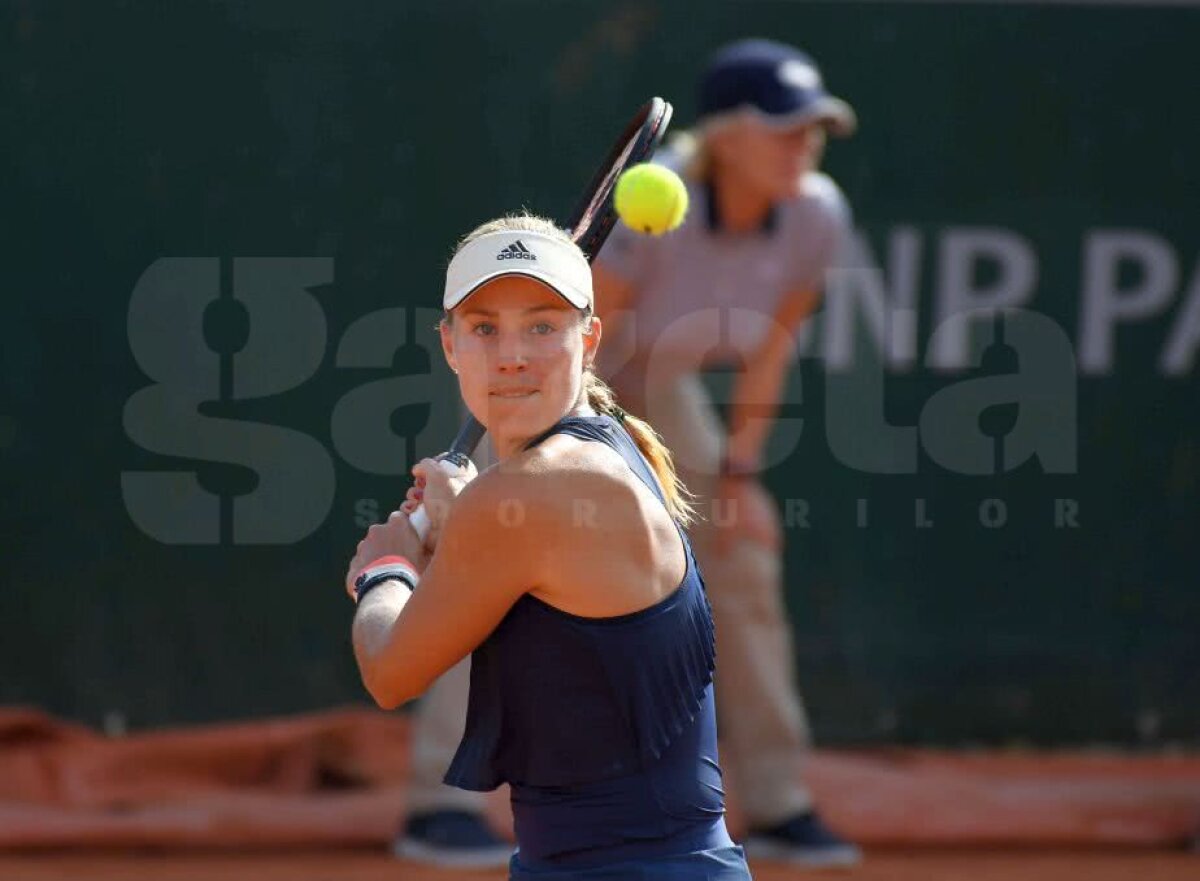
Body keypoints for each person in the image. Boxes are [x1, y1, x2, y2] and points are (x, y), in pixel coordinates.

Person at [345, 214, 754, 879]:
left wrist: (385, 569)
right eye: (484, 329)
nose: (512, 355)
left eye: (542, 327)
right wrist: (466, 513)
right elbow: (533, 541)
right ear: (450, 344)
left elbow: (389, 671)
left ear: (588, 340)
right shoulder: (606, 445)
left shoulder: (533, 492)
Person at [587, 38, 863, 866]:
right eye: (784, 128)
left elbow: (771, 346)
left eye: (814, 129)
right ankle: (442, 805)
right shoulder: (659, 195)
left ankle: (777, 799)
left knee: (743, 554)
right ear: (726, 136)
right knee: (494, 548)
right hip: (572, 367)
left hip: (664, 375)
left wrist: (739, 472)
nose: (804, 145)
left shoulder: (817, 212)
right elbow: (585, 340)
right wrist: (559, 454)